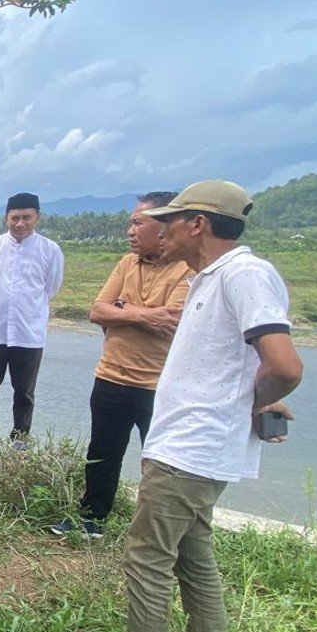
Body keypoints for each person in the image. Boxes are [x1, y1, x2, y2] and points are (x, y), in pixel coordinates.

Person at [121, 181, 303, 632]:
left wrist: (256, 401)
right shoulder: (210, 277)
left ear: (198, 224)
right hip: (186, 445)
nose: (163, 229)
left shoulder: (244, 275)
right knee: (193, 557)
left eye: (172, 220)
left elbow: (284, 366)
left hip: (192, 448)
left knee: (147, 559)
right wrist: (251, 397)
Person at [51, 192, 193, 538]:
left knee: (161, 463)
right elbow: (97, 311)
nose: (130, 231)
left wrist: (123, 310)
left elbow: (172, 321)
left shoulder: (189, 271)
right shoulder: (126, 263)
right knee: (102, 453)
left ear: (164, 227)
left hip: (158, 386)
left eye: (137, 223)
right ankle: (92, 519)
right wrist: (144, 314)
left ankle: (158, 531)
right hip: (111, 376)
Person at [0, 192, 64, 452]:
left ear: (37, 218)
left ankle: (20, 436)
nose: (20, 223)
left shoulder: (50, 250)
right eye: (15, 218)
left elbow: (51, 288)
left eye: (26, 217)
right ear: (6, 218)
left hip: (28, 332)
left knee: (24, 390)